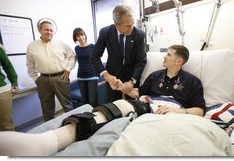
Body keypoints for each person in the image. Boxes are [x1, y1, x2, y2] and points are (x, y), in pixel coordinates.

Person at [0, 45, 206, 156]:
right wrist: (124, 87)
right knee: (118, 108)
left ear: (179, 61)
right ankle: (49, 141)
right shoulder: (155, 76)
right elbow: (137, 93)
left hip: (175, 112)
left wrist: (181, 112)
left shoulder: (192, 82)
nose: (164, 57)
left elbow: (201, 110)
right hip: (146, 105)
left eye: (168, 55)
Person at [90, 5, 147, 102]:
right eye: (128, 25)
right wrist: (106, 75)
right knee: (114, 107)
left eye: (133, 24)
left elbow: (141, 60)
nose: (131, 28)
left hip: (131, 76)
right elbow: (94, 56)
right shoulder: (105, 32)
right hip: (112, 77)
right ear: (116, 24)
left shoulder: (139, 34)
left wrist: (132, 81)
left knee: (133, 106)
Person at [26, 20, 76, 121]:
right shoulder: (32, 46)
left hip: (61, 78)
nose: (49, 32)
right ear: (39, 30)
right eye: (46, 30)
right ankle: (50, 129)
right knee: (46, 107)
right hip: (43, 80)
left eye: (51, 30)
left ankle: (74, 123)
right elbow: (30, 64)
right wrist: (36, 79)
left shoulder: (61, 44)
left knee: (67, 104)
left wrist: (68, 69)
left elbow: (72, 56)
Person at [73, 28, 98, 107]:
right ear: (75, 38)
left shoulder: (92, 46)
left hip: (92, 75)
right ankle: (86, 117)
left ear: (85, 35)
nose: (81, 37)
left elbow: (97, 60)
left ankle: (96, 117)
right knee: (85, 100)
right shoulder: (76, 48)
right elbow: (76, 60)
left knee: (93, 99)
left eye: (82, 35)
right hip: (81, 76)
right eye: (78, 36)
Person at [0, 45, 19, 131]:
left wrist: (14, 82)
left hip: (2, 92)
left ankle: (11, 144)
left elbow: (8, 66)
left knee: (6, 127)